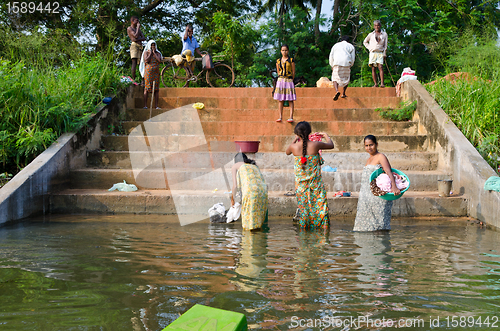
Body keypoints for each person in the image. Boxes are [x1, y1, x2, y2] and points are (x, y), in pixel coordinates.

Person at [285, 121, 334, 229]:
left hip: (301, 187)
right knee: (320, 207)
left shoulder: (293, 147)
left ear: (297, 133)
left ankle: (304, 234)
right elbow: (331, 145)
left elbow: (287, 152)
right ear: (309, 132)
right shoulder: (316, 145)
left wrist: (295, 139)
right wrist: (326, 136)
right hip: (316, 185)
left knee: (304, 210)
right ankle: (323, 234)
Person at [353, 135, 400, 232]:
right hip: (367, 195)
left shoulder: (381, 157)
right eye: (366, 145)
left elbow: (388, 171)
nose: (369, 148)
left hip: (378, 196)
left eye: (371, 145)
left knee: (380, 223)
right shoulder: (369, 159)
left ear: (376, 144)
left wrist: (394, 187)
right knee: (366, 224)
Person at [231, 153, 269, 231]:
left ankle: (248, 241)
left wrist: (232, 199)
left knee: (248, 224)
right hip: (263, 192)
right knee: (258, 223)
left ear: (236, 161)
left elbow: (235, 186)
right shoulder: (254, 166)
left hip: (251, 192)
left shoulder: (236, 166)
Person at [273, 45, 296, 123]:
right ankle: (280, 116)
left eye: (286, 50)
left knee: (290, 99)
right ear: (280, 51)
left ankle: (291, 117)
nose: (284, 52)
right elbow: (278, 71)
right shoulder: (278, 61)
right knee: (280, 99)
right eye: (283, 50)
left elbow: (293, 71)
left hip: (289, 80)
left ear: (288, 51)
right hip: (280, 80)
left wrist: (291, 80)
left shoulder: (291, 60)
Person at [329, 35, 355, 100]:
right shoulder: (351, 46)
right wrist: (350, 64)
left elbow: (331, 56)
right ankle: (343, 93)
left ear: (341, 40)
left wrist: (332, 65)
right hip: (346, 63)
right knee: (346, 78)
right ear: (348, 41)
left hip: (337, 63)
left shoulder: (336, 45)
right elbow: (353, 57)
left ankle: (337, 91)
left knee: (335, 78)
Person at [363, 20, 388, 88]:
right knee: (373, 68)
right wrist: (370, 48)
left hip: (380, 52)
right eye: (376, 25)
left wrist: (384, 53)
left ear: (380, 25)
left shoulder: (384, 34)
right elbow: (365, 42)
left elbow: (385, 45)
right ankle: (375, 83)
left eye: (378, 25)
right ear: (374, 26)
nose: (377, 26)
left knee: (380, 67)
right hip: (373, 52)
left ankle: (382, 83)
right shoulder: (371, 34)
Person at [139, 40, 162, 109]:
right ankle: (145, 105)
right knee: (147, 88)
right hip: (148, 73)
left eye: (154, 45)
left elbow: (159, 60)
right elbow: (146, 60)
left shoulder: (158, 53)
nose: (153, 47)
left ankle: (156, 106)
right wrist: (150, 53)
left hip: (156, 73)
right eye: (151, 45)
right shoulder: (146, 52)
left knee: (156, 89)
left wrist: (154, 53)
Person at [127, 16, 146, 82]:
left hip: (140, 47)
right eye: (136, 21)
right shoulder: (129, 28)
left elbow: (143, 38)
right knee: (134, 62)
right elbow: (135, 36)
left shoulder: (138, 30)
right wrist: (138, 28)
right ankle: (134, 80)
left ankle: (142, 80)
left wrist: (137, 39)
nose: (138, 22)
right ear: (132, 21)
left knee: (141, 63)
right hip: (134, 46)